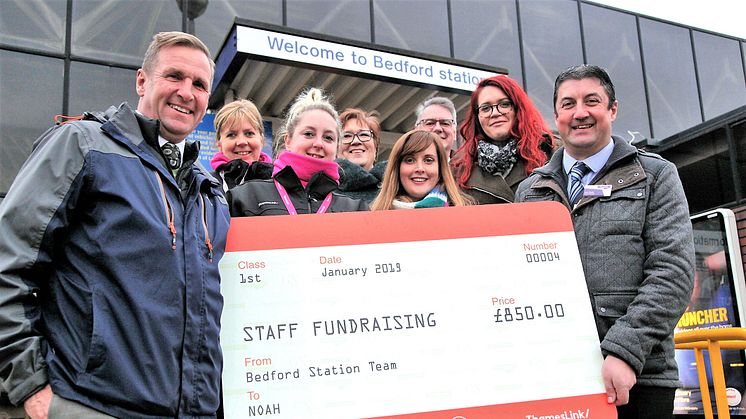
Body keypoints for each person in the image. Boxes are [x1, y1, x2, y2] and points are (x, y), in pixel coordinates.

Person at [0, 32, 230, 418]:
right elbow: (9, 265)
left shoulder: (209, 191)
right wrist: (30, 385)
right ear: (142, 81)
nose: (186, 93)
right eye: (174, 76)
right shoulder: (83, 146)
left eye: (199, 85)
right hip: (87, 405)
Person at [515, 65, 695, 419]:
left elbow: (673, 272)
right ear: (556, 116)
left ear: (612, 110)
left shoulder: (656, 175)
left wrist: (625, 351)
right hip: (554, 375)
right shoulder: (528, 191)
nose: (579, 112)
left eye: (591, 101)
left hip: (637, 377)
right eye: (568, 104)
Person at [228, 88, 368, 216]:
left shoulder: (356, 209)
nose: (318, 143)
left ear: (337, 149)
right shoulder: (246, 196)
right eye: (308, 134)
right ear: (288, 140)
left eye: (328, 137)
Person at [452, 75, 554, 204]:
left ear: (518, 108)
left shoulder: (552, 152)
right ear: (477, 116)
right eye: (486, 108)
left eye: (504, 104)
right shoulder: (458, 167)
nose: (494, 113)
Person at [370, 130, 471, 210]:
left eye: (428, 160)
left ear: (441, 169)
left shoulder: (466, 217)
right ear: (397, 168)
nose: (419, 168)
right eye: (409, 160)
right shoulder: (370, 220)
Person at [210, 99, 273, 192]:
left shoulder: (279, 185)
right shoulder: (206, 185)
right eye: (231, 135)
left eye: (249, 133)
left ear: (261, 139)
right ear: (219, 144)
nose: (241, 142)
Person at [336, 108, 386, 203]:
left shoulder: (395, 187)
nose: (356, 141)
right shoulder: (322, 190)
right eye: (346, 136)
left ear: (375, 146)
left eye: (364, 134)